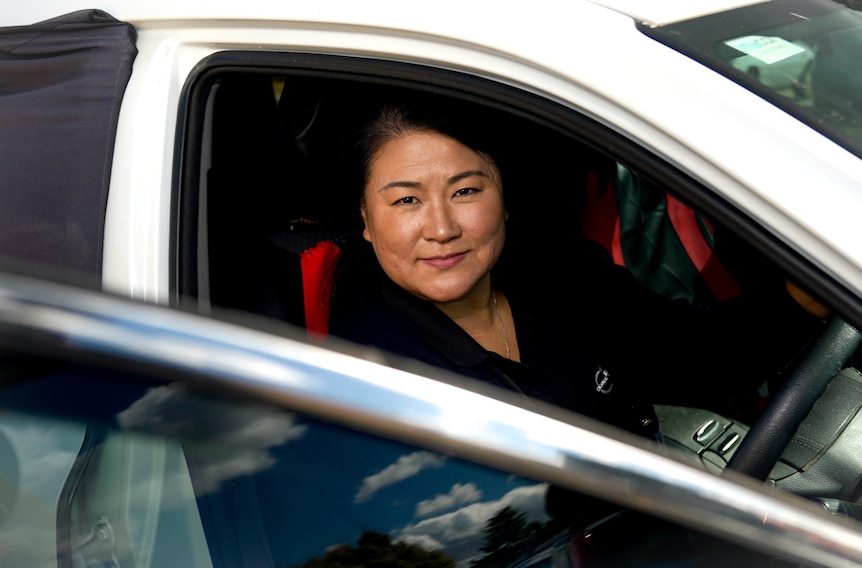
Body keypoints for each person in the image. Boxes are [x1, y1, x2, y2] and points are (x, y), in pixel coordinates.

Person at [330, 101, 826, 439]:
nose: (440, 228)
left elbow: (688, 357)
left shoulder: (557, 277)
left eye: (466, 191)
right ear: (366, 221)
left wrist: (801, 300)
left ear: (504, 202)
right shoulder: (362, 369)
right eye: (407, 200)